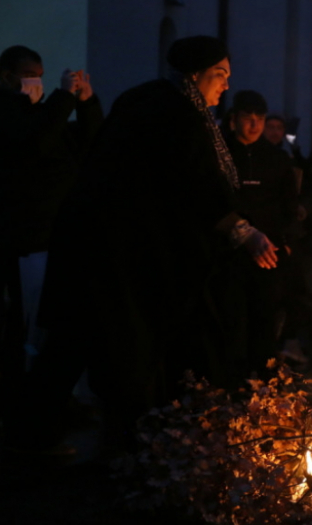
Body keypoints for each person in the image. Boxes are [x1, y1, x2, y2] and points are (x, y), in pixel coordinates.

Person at [20, 36, 278, 450]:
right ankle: (103, 444)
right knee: (106, 342)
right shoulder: (174, 112)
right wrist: (242, 230)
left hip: (106, 242)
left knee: (80, 338)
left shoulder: (153, 99)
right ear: (196, 74)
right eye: (220, 75)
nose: (226, 85)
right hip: (113, 247)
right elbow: (191, 182)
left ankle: (45, 432)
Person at [0, 45, 102, 429]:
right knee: (25, 328)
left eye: (40, 75)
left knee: (52, 325)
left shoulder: (42, 115)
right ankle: (20, 403)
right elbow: (32, 143)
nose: (36, 83)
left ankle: (49, 398)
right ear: (7, 76)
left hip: (54, 235)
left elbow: (88, 147)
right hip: (22, 239)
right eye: (29, 75)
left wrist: (86, 104)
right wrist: (61, 98)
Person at [223, 89, 298, 370]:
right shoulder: (223, 154)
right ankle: (228, 386)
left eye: (260, 118)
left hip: (270, 254)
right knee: (232, 322)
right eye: (247, 118)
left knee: (265, 321)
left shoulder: (277, 159)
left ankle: (262, 388)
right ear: (235, 119)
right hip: (230, 253)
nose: (254, 124)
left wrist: (287, 242)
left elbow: (290, 205)